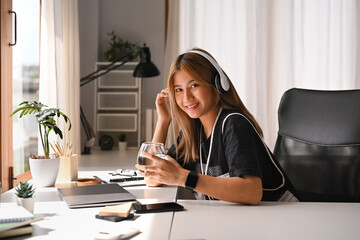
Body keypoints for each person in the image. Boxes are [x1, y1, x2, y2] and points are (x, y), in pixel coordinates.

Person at [135, 48, 299, 205]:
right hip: (247, 217)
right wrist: (164, 120)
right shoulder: (192, 132)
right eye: (178, 90)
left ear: (218, 84)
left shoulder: (234, 124)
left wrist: (184, 177)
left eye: (194, 85)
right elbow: (151, 175)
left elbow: (251, 192)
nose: (187, 97)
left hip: (285, 214)